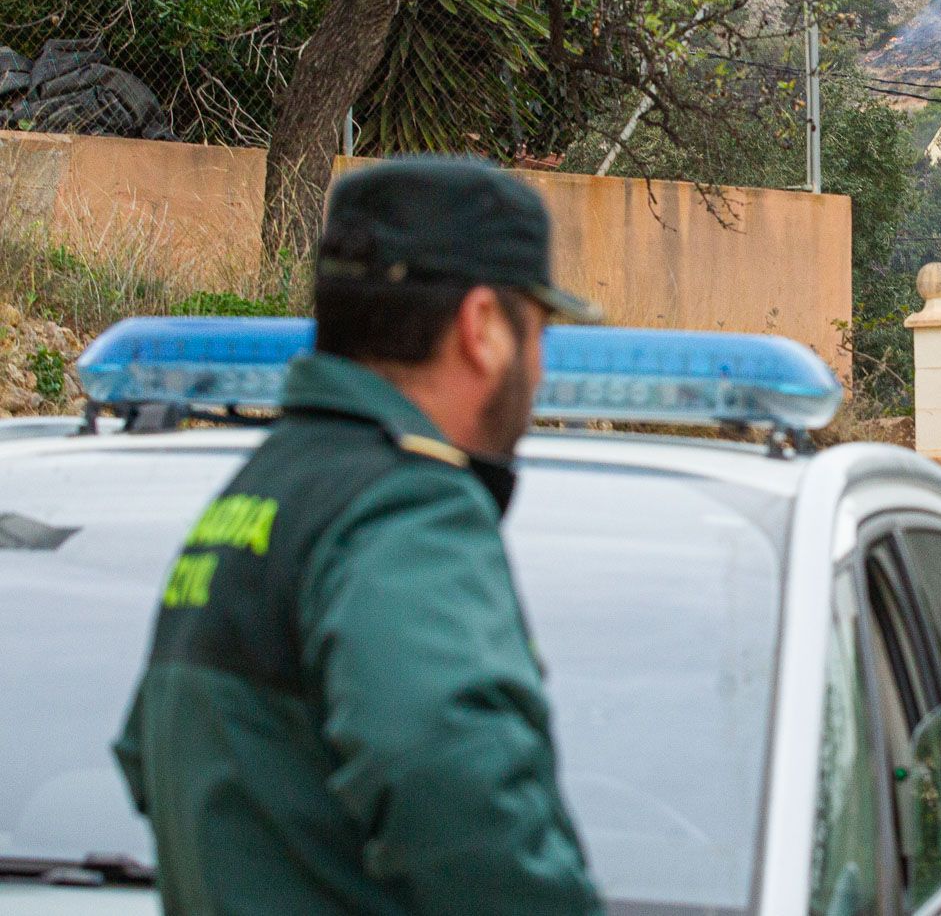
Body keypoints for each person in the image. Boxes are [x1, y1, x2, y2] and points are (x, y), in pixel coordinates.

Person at [114, 157, 605, 915]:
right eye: (536, 330)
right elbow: (451, 781)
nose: (539, 368)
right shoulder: (408, 508)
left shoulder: (256, 496)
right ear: (482, 329)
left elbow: (148, 755)